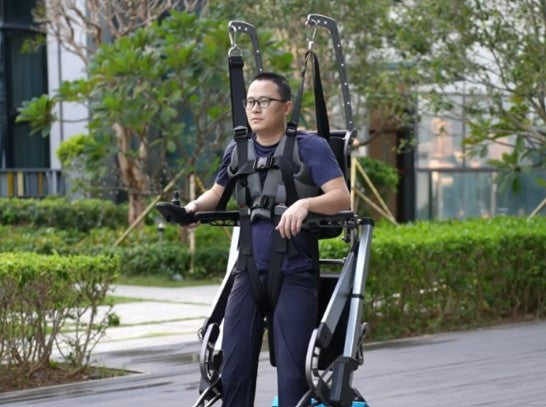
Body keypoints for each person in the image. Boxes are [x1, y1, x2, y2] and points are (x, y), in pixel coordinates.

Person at [184, 72, 350, 407]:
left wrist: (305, 204)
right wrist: (191, 209)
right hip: (247, 274)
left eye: (264, 101)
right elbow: (216, 195)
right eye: (250, 101)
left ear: (286, 107)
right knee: (232, 372)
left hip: (295, 273)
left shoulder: (311, 148)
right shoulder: (238, 149)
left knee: (292, 379)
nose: (255, 109)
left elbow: (342, 199)